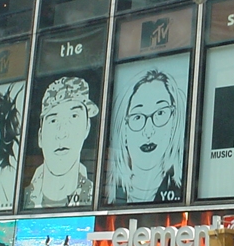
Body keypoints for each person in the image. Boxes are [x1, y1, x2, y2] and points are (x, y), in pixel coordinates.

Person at [107, 69, 185, 204]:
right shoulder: (110, 196)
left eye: (160, 113)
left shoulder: (180, 192)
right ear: (123, 129)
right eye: (137, 117)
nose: (149, 132)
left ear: (173, 123)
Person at [24, 77, 97, 208]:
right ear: (40, 136)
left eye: (74, 117)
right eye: (53, 121)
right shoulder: (22, 200)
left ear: (87, 127)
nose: (62, 133)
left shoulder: (95, 197)